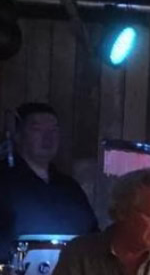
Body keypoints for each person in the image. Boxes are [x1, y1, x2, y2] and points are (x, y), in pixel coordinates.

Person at [0, 101, 98, 260]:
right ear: (18, 135)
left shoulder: (70, 188)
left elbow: (92, 235)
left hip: (70, 272)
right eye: (37, 129)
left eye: (53, 130)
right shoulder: (5, 182)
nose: (48, 137)